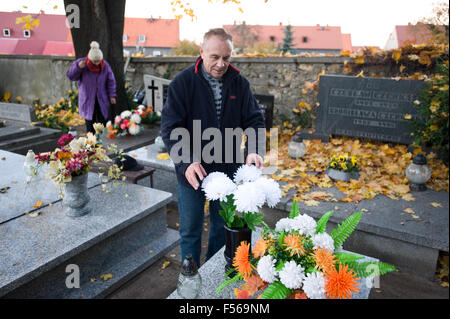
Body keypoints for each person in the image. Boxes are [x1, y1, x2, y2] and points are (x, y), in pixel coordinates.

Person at [161, 28, 265, 267]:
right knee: (190, 228)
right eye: (215, 57)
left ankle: (213, 273)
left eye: (226, 58)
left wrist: (254, 149)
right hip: (192, 171)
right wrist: (186, 162)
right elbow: (170, 128)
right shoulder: (182, 83)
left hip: (227, 168)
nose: (221, 64)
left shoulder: (240, 84)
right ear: (201, 52)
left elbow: (255, 121)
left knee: (221, 227)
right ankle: (190, 276)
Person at [66, 41, 116, 134]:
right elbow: (71, 76)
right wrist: (78, 68)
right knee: (90, 122)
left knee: (103, 120)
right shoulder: (82, 63)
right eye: (94, 61)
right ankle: (91, 142)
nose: (97, 63)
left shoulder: (105, 66)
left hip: (101, 97)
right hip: (87, 98)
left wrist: (112, 95)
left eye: (99, 61)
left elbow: (111, 81)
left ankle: (103, 139)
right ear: (90, 58)